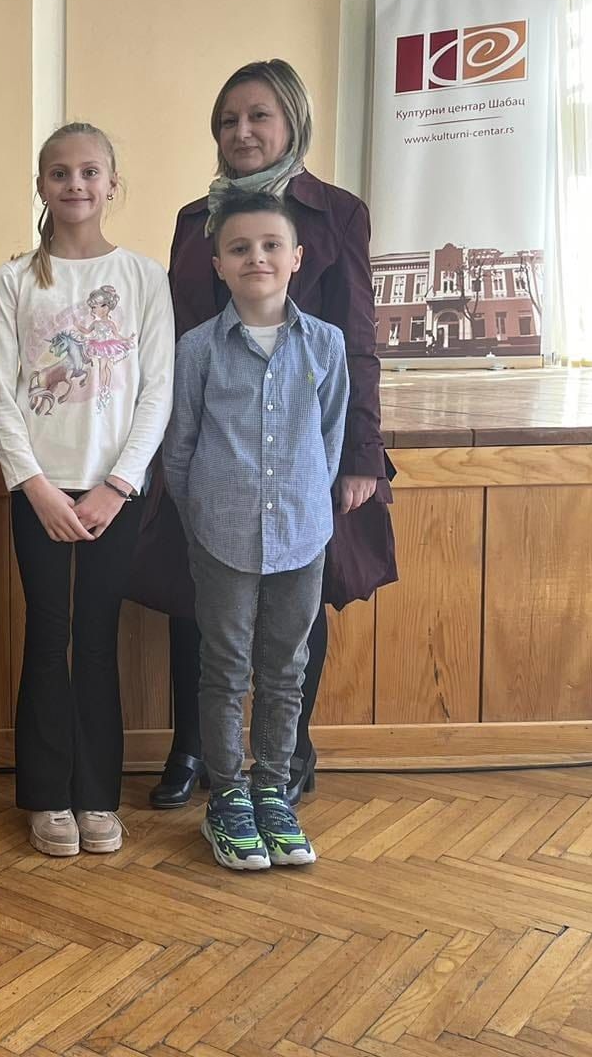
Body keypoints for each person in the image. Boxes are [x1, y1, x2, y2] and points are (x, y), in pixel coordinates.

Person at [138, 59, 397, 810]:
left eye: (258, 116)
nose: (241, 132)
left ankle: (287, 754)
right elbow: (178, 337)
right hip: (213, 449)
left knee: (296, 609)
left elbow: (355, 340)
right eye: (228, 120)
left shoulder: (336, 213)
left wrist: (358, 456)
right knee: (194, 598)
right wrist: (172, 460)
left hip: (300, 451)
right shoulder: (195, 219)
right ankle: (193, 747)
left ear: (293, 123)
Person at [0, 123, 173, 857]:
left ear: (112, 184)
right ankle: (45, 795)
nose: (75, 185)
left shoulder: (143, 277)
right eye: (60, 173)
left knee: (95, 640)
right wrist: (34, 487)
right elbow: (1, 394)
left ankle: (96, 794)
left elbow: (157, 391)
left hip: (112, 495)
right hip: (39, 492)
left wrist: (118, 486)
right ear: (41, 185)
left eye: (90, 172)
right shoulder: (15, 281)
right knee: (46, 636)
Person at [164, 191, 346, 870]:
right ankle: (228, 796)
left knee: (285, 669)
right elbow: (179, 450)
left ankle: (272, 789)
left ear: (297, 257)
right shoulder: (197, 350)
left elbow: (329, 441)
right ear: (218, 263)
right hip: (222, 534)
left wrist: (307, 506)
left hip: (302, 532)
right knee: (225, 666)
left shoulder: (325, 345)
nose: (257, 258)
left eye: (271, 246)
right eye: (239, 248)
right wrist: (203, 518)